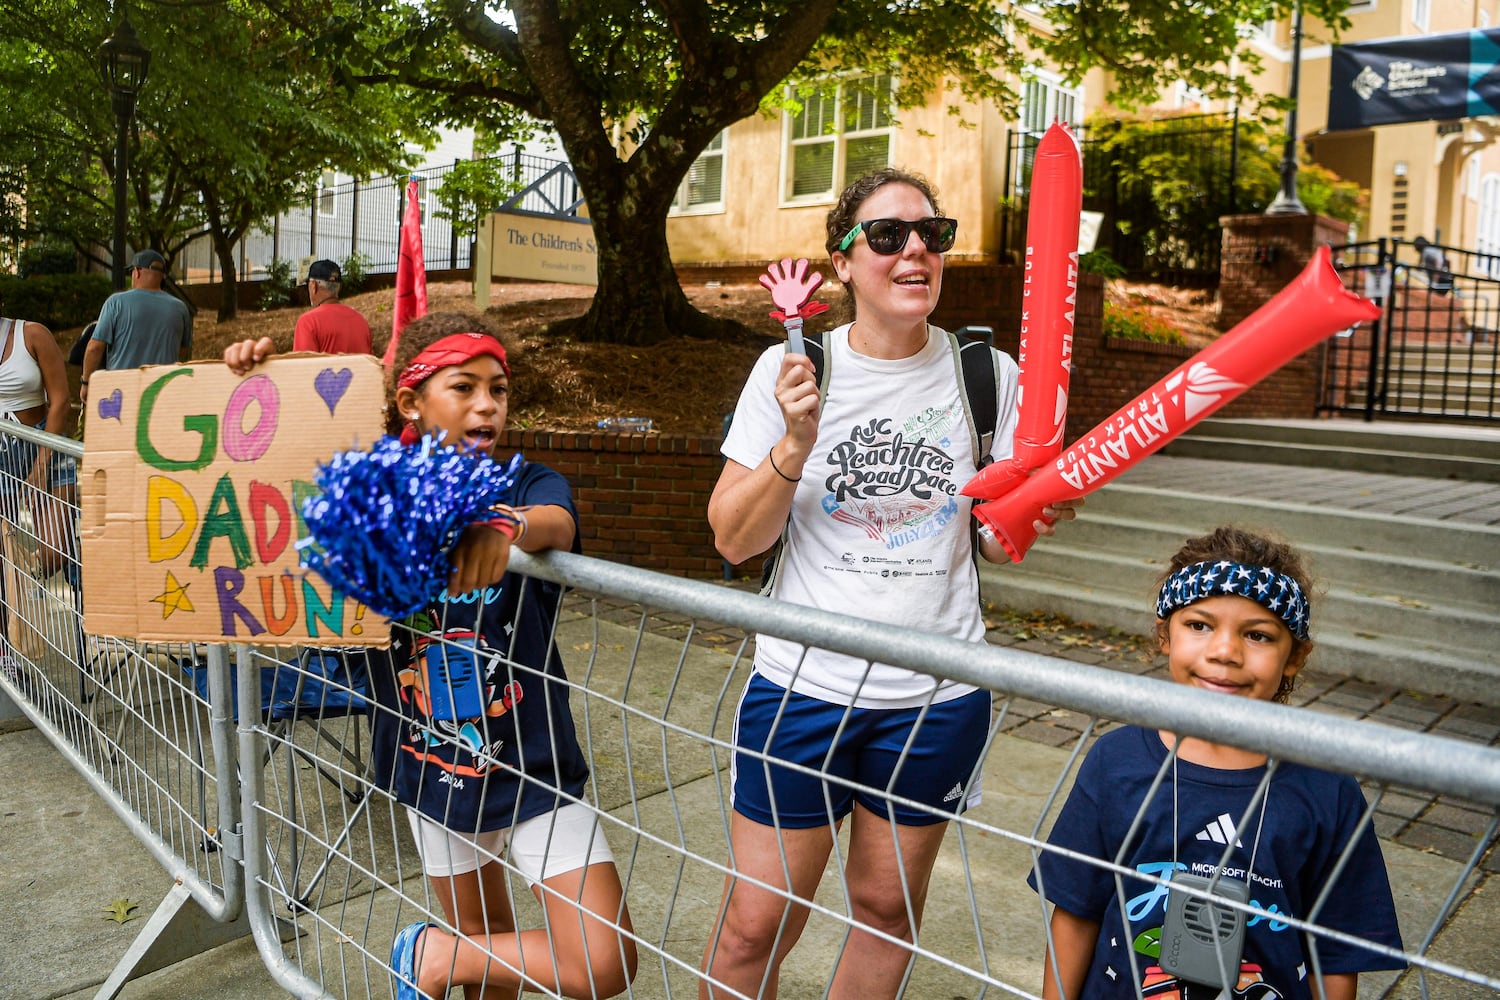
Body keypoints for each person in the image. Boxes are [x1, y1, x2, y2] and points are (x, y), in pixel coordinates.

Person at [701, 167, 1076, 999]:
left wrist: (1032, 514)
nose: (915, 249)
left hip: (937, 693)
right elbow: (733, 538)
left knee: (884, 906)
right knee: (757, 921)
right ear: (841, 262)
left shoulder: (991, 377)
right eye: (887, 235)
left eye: (932, 234)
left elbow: (1001, 529)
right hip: (804, 684)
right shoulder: (790, 368)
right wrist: (794, 446)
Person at [224, 313, 636, 1000]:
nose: (488, 405)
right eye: (464, 386)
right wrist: (264, 374)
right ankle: (453, 956)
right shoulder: (373, 482)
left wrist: (503, 525)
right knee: (491, 963)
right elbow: (287, 458)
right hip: (430, 771)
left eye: (499, 389)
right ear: (411, 400)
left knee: (602, 961)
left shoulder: (522, 480)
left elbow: (557, 520)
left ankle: (433, 957)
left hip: (533, 766)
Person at [1028, 526, 1404, 1000]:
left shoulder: (1328, 791)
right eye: (1199, 625)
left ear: (1295, 657)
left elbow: (1336, 953)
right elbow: (1076, 910)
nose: (1225, 651)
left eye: (1259, 635)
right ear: (1165, 634)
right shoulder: (1115, 761)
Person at [0, 296, 77, 675]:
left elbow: (61, 399)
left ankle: (24, 585)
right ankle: (8, 649)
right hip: (1, 455)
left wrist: (42, 462)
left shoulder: (31, 334)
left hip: (45, 443)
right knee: (1, 559)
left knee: (56, 548)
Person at [81, 249, 192, 402]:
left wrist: (86, 383)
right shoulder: (180, 308)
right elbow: (184, 352)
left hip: (121, 394)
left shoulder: (116, 303)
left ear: (137, 272)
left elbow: (95, 347)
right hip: (163, 394)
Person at [293, 258, 373, 355]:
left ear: (314, 286)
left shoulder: (308, 322)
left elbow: (303, 367)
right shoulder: (361, 321)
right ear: (339, 287)